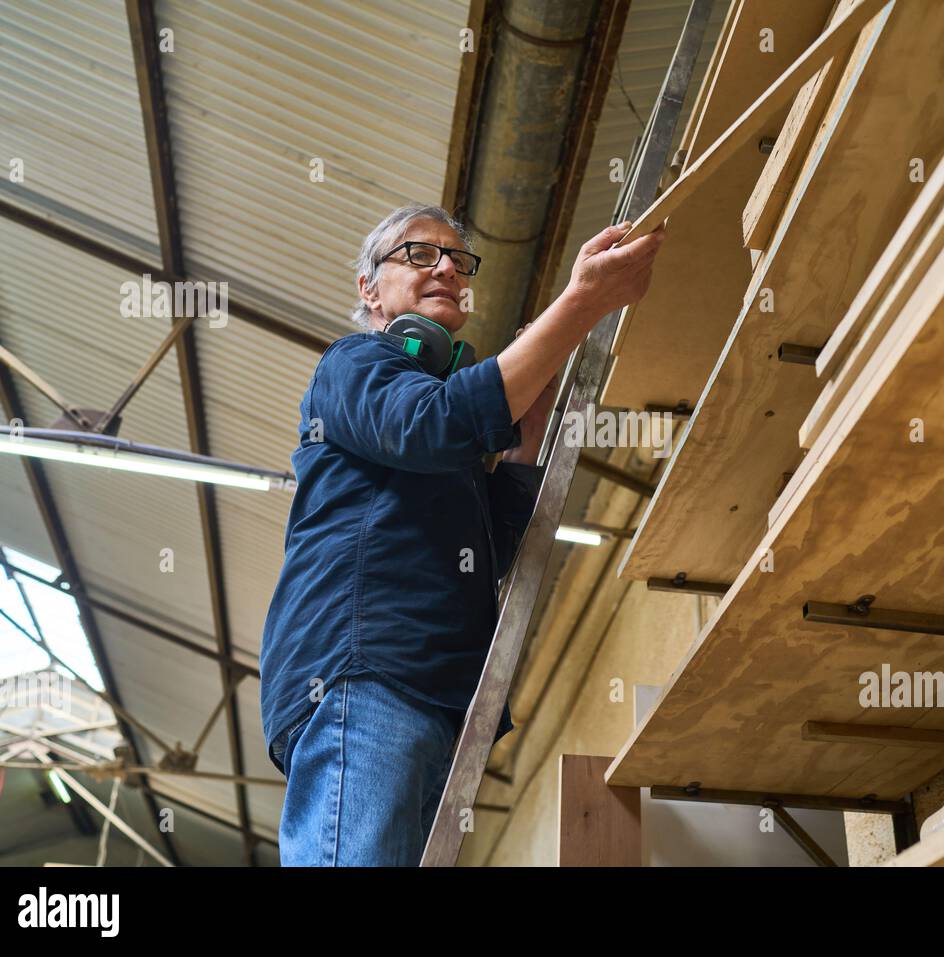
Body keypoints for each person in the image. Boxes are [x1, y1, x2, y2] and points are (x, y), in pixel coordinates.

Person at [259, 202, 664, 865]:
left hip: (436, 694)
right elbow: (435, 423)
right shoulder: (357, 364)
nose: (446, 266)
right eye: (419, 254)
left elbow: (494, 551)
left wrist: (528, 424)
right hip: (368, 674)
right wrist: (580, 305)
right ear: (370, 289)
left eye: (456, 258)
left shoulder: (444, 434)